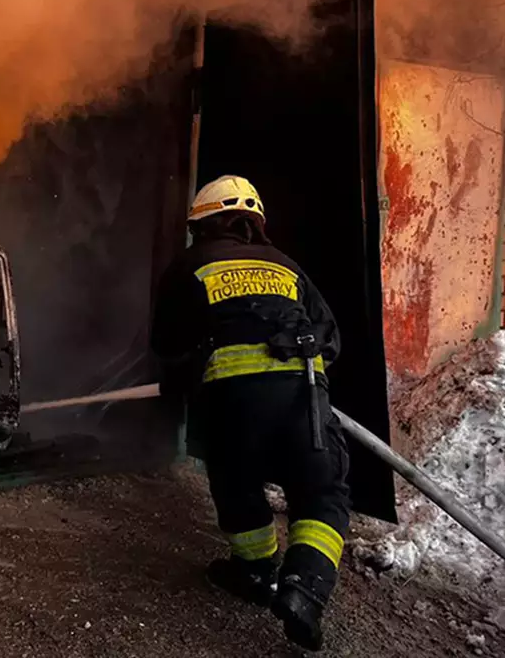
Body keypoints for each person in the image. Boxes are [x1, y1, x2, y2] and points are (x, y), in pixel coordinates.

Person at [150, 174, 351, 652]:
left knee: (237, 484)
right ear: (253, 222)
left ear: (206, 225)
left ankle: (256, 572)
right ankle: (305, 588)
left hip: (233, 403)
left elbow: (167, 345)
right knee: (321, 490)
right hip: (303, 397)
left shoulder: (192, 265)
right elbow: (330, 338)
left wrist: (186, 376)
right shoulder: (288, 267)